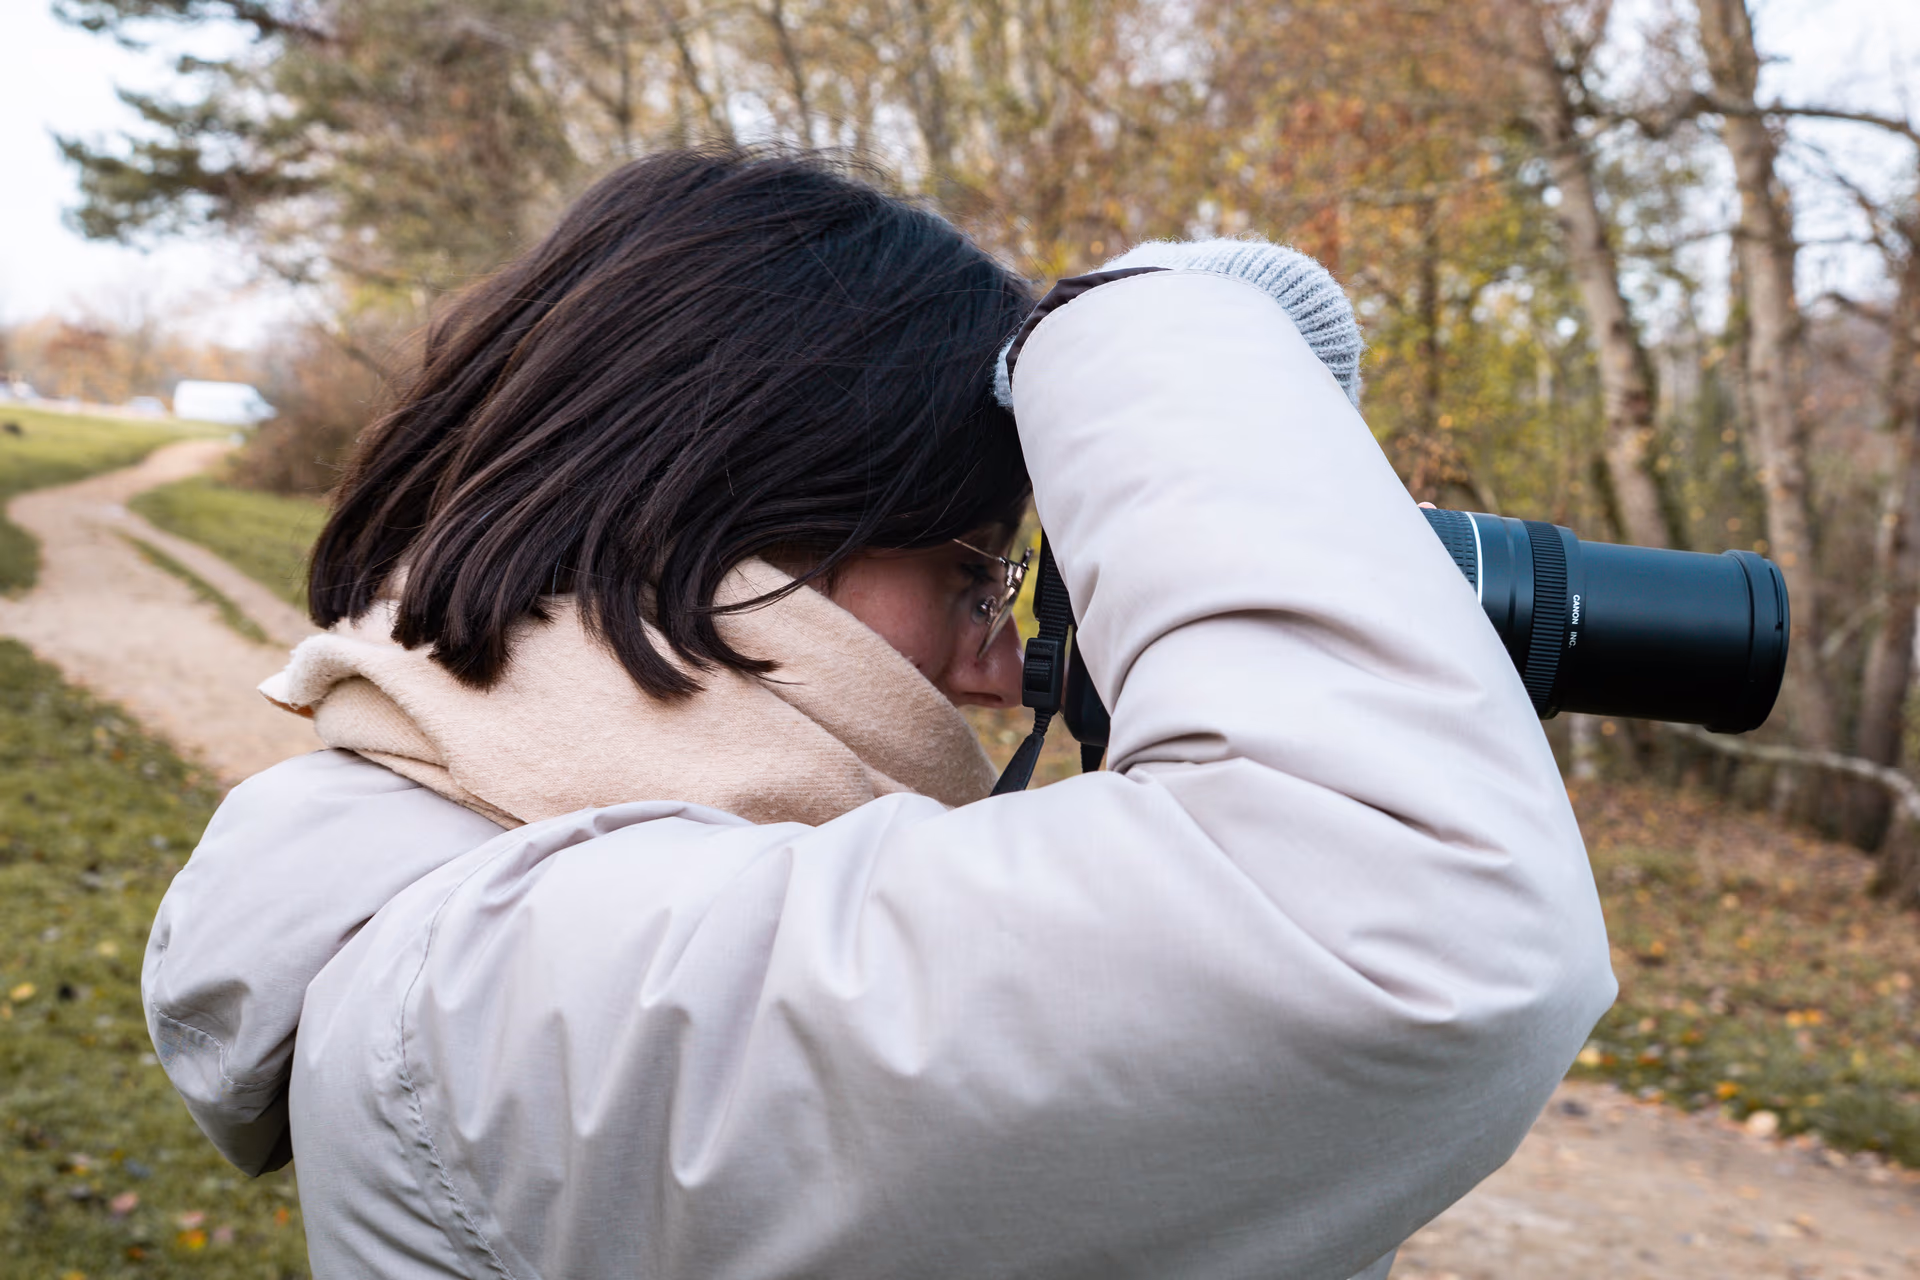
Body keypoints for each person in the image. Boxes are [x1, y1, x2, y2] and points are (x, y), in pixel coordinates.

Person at [142, 148, 1615, 1279]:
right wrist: (1149, 333)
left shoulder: (490, 921)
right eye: (982, 578)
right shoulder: (507, 998)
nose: (996, 669)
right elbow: (1407, 930)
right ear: (723, 528)